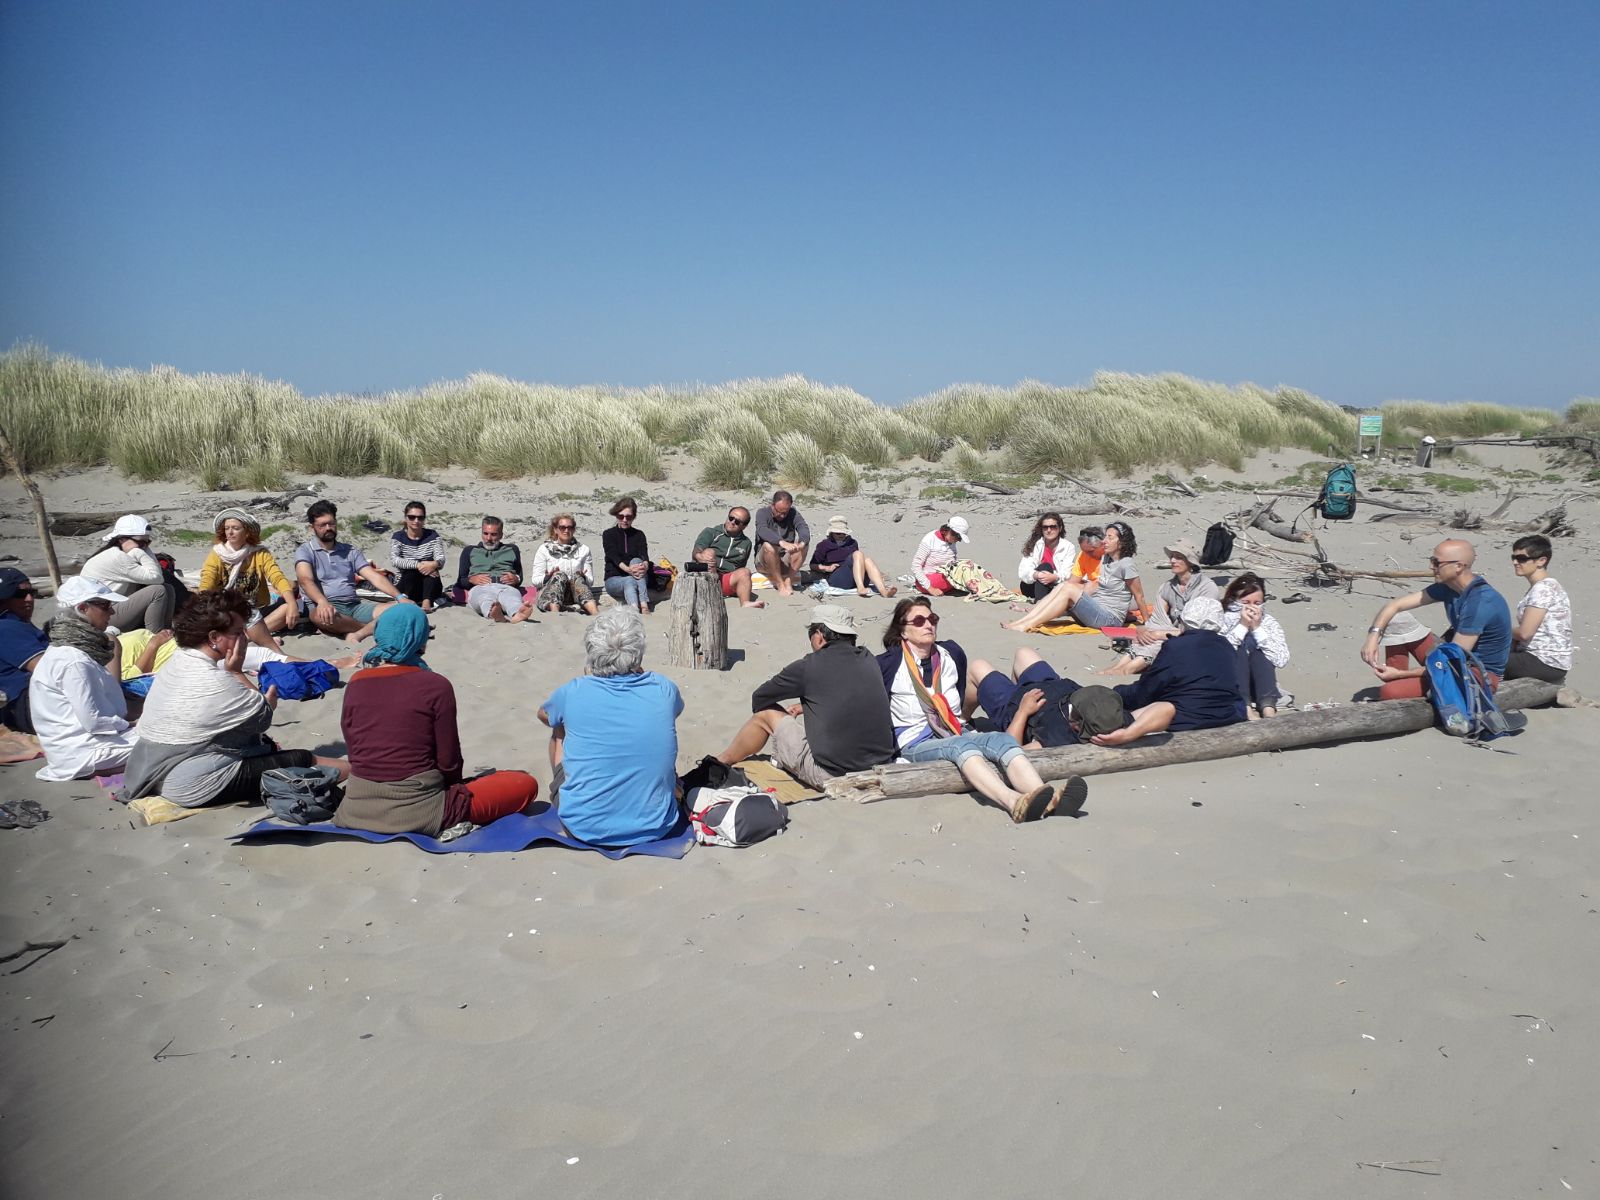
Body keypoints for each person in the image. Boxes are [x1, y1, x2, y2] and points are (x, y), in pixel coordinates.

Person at [122, 591, 345, 808]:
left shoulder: (177, 661)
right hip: (192, 785)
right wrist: (237, 673)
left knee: (266, 748)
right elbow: (261, 718)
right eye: (238, 632)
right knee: (300, 759)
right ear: (214, 637)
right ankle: (357, 774)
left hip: (150, 770)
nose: (244, 638)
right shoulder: (215, 680)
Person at [335, 606, 538, 836]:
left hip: (357, 805)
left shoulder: (357, 682)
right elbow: (448, 760)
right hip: (421, 809)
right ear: (420, 640)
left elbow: (353, 745)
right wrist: (455, 787)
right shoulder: (435, 685)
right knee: (524, 784)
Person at [877, 597, 1061, 822]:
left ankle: (1044, 796)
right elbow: (874, 709)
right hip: (915, 741)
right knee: (960, 745)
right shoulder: (887, 665)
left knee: (1002, 740)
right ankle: (1014, 802)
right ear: (903, 631)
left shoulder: (950, 654)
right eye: (918, 621)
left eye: (932, 619)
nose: (928, 625)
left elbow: (960, 694)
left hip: (954, 730)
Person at [537, 609, 684, 846]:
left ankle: (565, 789)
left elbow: (544, 716)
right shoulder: (663, 688)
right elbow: (673, 712)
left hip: (582, 827)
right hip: (657, 826)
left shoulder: (573, 691)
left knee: (559, 727)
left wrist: (590, 681)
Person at [716, 604, 897, 790]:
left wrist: (807, 703)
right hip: (881, 767)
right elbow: (850, 697)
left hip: (834, 775)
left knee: (765, 714)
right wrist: (809, 705)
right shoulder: (868, 659)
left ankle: (722, 761)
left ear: (818, 636)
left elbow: (760, 698)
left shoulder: (809, 666)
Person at [1360, 539, 1512, 700]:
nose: (1431, 567)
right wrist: (1373, 637)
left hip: (1477, 674)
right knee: (1398, 619)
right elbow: (1395, 605)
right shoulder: (1449, 587)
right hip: (1453, 656)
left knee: (1389, 692)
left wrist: (1400, 674)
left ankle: (1398, 683)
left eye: (1436, 562)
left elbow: (1453, 660)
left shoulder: (1479, 603)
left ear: (1459, 566)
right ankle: (1399, 682)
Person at [1093, 598, 1247, 745]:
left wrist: (1117, 692)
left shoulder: (1176, 647)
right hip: (1226, 716)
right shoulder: (1227, 647)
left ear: (1184, 621)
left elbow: (1146, 690)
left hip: (1188, 719)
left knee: (1159, 707)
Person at [31, 576, 139, 781]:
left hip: (79, 745)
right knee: (175, 738)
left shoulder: (67, 649)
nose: (112, 611)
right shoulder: (73, 661)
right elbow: (94, 721)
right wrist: (131, 724)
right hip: (82, 751)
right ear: (82, 608)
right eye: (105, 605)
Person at [969, 646, 1125, 758]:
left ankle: (962, 719)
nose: (1070, 706)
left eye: (1073, 709)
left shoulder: (1058, 734)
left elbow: (1011, 750)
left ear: (1077, 725)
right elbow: (1137, 716)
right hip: (1050, 686)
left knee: (977, 667)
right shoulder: (1113, 715)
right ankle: (1014, 687)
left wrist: (1022, 712)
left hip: (1017, 707)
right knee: (1024, 653)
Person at [1003, 520, 1147, 633]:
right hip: (1094, 610)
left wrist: (1148, 623)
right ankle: (1023, 621)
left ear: (1121, 542)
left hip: (1110, 619)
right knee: (1065, 586)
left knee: (1069, 588)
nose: (1105, 541)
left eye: (1110, 538)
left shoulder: (1126, 564)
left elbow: (1139, 596)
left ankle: (1027, 625)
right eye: (1105, 537)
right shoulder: (1106, 559)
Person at [294, 500, 406, 642]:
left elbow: (373, 576)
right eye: (322, 525)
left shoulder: (350, 551)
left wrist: (399, 597)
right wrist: (322, 602)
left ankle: (358, 630)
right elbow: (305, 580)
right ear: (312, 528)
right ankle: (367, 629)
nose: (328, 528)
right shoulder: (305, 550)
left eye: (331, 523)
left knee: (402, 608)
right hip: (326, 606)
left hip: (354, 606)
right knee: (321, 617)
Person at [1103, 539, 1219, 675]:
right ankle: (1118, 667)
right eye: (1172, 556)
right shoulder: (1167, 587)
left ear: (1191, 562)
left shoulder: (1206, 588)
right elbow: (1158, 620)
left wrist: (1159, 634)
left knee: (1158, 641)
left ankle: (1128, 669)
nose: (1173, 560)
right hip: (1172, 634)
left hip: (1198, 640)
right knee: (1146, 637)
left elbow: (1200, 630)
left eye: (1179, 557)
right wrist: (1144, 630)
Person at [199, 508, 300, 662]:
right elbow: (207, 579)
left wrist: (292, 603)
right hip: (227, 611)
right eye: (227, 528)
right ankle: (254, 636)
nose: (230, 532)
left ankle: (246, 636)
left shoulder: (259, 553)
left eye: (235, 528)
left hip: (255, 608)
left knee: (286, 608)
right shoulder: (217, 554)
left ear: (246, 532)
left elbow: (277, 577)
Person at [83, 514, 180, 633]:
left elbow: (158, 577)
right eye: (141, 542)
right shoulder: (117, 557)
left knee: (168, 588)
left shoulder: (117, 553)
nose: (144, 547)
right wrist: (140, 552)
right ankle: (154, 636)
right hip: (100, 618)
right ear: (122, 539)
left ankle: (165, 631)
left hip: (108, 610)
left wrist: (142, 547)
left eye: (147, 542)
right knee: (158, 591)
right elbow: (156, 577)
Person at [1219, 573, 1290, 718]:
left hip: (1262, 683)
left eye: (1257, 603)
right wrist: (1242, 625)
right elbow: (1220, 653)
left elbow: (1281, 660)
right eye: (1246, 602)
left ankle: (1268, 708)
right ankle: (1245, 707)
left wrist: (1257, 629)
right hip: (1231, 681)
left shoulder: (1269, 622)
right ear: (1235, 600)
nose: (1251, 607)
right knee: (1238, 650)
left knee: (1260, 651)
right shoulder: (1222, 619)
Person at [1504, 535, 1571, 684]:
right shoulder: (1543, 587)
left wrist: (1498, 629)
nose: (1515, 562)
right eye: (1513, 557)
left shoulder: (1543, 589)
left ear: (1541, 561)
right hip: (1546, 660)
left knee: (1481, 659)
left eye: (1522, 558)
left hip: (1543, 661)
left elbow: (1525, 633)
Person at [454, 515, 534, 623]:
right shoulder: (469, 551)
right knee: (484, 599)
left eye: (493, 534)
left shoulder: (512, 549)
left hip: (506, 587)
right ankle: (493, 614)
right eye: (485, 533)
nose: (489, 538)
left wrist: (516, 579)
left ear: (501, 535)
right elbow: (461, 580)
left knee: (512, 599)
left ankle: (517, 614)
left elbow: (519, 576)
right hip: (480, 587)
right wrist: (471, 579)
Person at [0, 568, 48, 733]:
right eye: (20, 594)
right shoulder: (7, 627)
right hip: (30, 703)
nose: (29, 599)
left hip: (29, 703)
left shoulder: (18, 624)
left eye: (32, 593)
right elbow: (48, 670)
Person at [806, 516, 897, 597]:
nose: (841, 535)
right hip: (837, 578)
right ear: (831, 533)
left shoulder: (852, 543)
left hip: (855, 577)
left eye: (843, 533)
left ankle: (883, 591)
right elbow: (813, 565)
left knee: (867, 560)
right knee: (858, 554)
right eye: (838, 533)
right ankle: (860, 588)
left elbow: (859, 562)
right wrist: (827, 568)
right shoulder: (824, 545)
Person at [692, 508, 764, 608]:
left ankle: (745, 603)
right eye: (731, 518)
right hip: (704, 577)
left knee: (745, 572)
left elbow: (739, 567)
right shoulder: (711, 532)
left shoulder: (746, 543)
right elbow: (697, 551)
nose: (732, 522)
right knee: (709, 552)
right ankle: (710, 592)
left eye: (737, 522)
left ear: (744, 526)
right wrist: (699, 556)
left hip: (725, 579)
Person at [530, 514, 599, 615]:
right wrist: (548, 577)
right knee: (559, 575)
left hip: (574, 594)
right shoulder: (544, 550)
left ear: (574, 529)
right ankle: (555, 615)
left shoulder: (584, 550)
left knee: (577, 578)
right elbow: (535, 580)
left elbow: (590, 581)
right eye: (562, 527)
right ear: (555, 529)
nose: (566, 530)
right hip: (550, 593)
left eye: (570, 527)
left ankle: (595, 613)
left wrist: (583, 577)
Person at [601, 496, 660, 613]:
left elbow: (644, 555)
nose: (624, 520)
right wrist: (628, 570)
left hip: (638, 576)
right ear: (616, 515)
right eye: (621, 516)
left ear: (633, 517)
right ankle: (636, 609)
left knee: (637, 561)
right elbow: (613, 556)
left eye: (628, 517)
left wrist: (644, 567)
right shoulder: (608, 534)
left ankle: (643, 605)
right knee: (629, 580)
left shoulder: (639, 535)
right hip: (614, 578)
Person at [390, 501, 447, 612]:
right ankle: (408, 600)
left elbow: (441, 559)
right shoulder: (398, 537)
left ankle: (426, 602)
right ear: (405, 518)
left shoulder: (433, 536)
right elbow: (395, 560)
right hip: (405, 585)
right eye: (412, 517)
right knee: (412, 570)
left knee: (431, 566)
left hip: (430, 586)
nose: (416, 521)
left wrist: (434, 564)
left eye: (420, 518)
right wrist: (418, 565)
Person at [753, 491, 811, 597]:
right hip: (764, 562)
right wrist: (781, 542)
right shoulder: (762, 513)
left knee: (803, 545)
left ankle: (789, 581)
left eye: (785, 512)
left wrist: (802, 543)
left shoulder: (793, 513)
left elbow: (803, 527)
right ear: (772, 505)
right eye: (779, 512)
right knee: (768, 546)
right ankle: (780, 584)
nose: (782, 515)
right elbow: (762, 530)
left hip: (785, 559)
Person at [910, 515, 969, 595]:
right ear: (950, 532)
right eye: (958, 537)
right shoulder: (930, 539)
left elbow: (952, 562)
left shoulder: (951, 541)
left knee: (969, 569)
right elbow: (915, 566)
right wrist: (930, 588)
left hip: (947, 576)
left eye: (960, 539)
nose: (958, 541)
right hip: (929, 580)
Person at [1017, 513, 1068, 601]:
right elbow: (1024, 571)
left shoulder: (1067, 547)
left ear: (1060, 528)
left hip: (1055, 586)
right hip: (1032, 587)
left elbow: (1067, 572)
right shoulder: (1034, 545)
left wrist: (1054, 577)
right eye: (1045, 527)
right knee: (1045, 566)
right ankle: (1040, 602)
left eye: (1053, 527)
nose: (1049, 530)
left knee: (1047, 568)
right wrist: (1037, 574)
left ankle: (1040, 602)